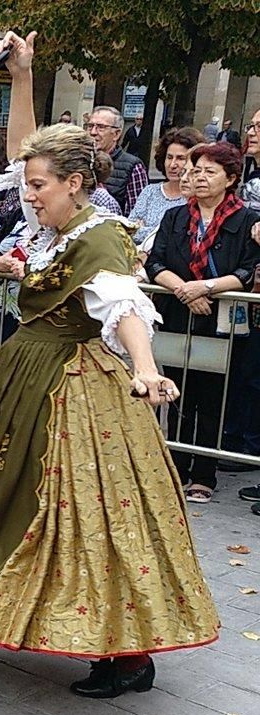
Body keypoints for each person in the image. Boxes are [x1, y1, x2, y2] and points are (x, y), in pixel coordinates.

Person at [0, 29, 218, 700]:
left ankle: (127, 654)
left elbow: (123, 306)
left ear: (77, 184)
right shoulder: (50, 221)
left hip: (76, 388)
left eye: (42, 186)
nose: (29, 194)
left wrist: (144, 367)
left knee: (80, 517)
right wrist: (23, 77)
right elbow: (29, 151)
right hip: (18, 374)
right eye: (29, 185)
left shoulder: (102, 233)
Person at [146, 141, 260, 504]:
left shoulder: (246, 221)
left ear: (230, 178)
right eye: (197, 170)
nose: (200, 177)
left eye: (210, 171)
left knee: (213, 397)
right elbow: (156, 262)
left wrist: (205, 287)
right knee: (177, 393)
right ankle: (176, 465)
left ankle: (204, 473)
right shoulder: (176, 217)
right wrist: (184, 291)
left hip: (222, 318)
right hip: (179, 313)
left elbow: (245, 271)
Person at [128, 127, 201, 245]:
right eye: (169, 157)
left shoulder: (195, 197)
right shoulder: (150, 191)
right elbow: (130, 230)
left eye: (180, 158)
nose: (172, 165)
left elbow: (183, 239)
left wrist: (145, 230)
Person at [86, 105, 148, 213]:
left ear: (116, 134)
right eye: (90, 126)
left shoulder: (132, 166)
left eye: (101, 127)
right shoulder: (80, 160)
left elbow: (136, 215)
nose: (93, 132)